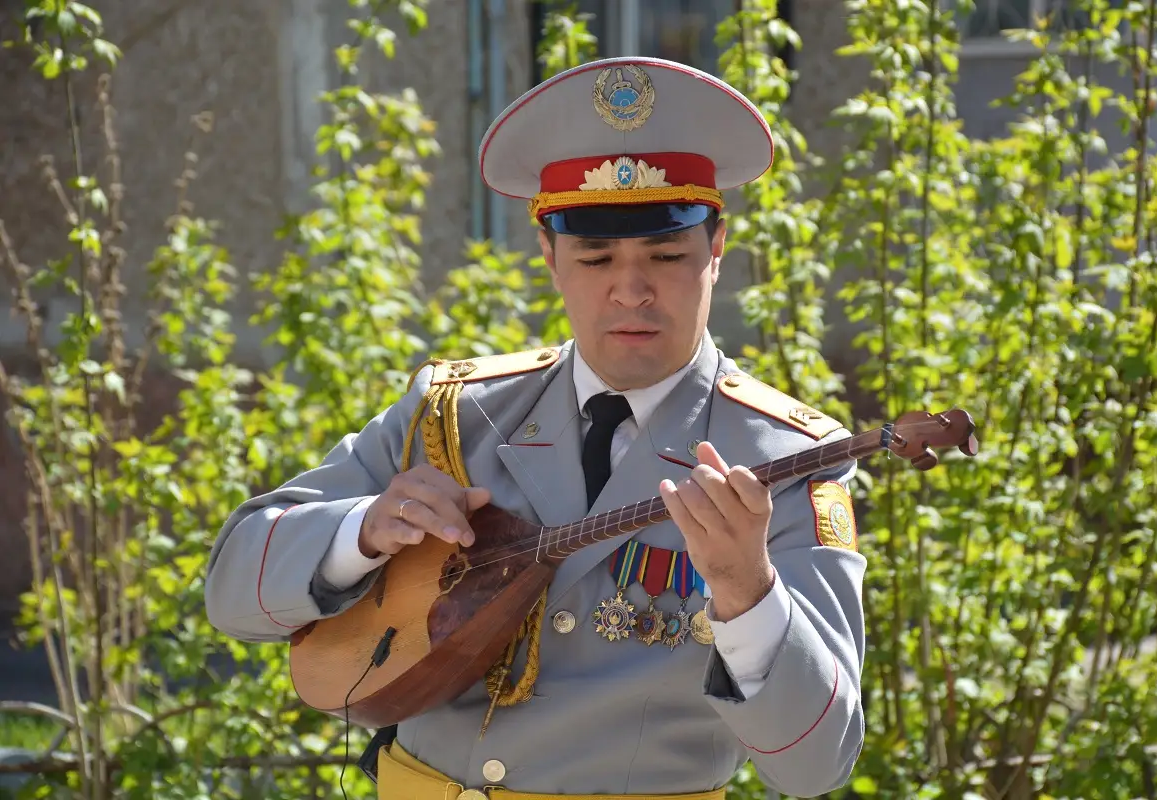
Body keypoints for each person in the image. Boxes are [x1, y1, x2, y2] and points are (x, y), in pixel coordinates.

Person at [205, 56, 866, 799]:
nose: (631, 290)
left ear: (716, 250)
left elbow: (818, 766)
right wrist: (361, 531)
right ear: (549, 255)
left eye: (668, 254)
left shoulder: (788, 457)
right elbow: (231, 590)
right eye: (595, 256)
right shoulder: (453, 413)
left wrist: (750, 593)